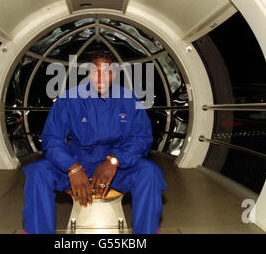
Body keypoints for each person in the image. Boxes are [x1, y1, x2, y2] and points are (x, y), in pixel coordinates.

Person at [21, 50, 167, 234]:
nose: (101, 77)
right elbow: (51, 139)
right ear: (88, 73)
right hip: (76, 162)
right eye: (95, 71)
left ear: (114, 73)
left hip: (117, 167)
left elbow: (142, 137)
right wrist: (72, 167)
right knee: (38, 173)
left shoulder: (130, 99)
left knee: (149, 173)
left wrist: (115, 160)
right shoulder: (68, 99)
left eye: (107, 71)